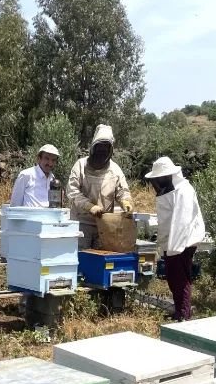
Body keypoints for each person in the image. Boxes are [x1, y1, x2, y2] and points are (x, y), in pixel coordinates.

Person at [146, 156, 205, 321]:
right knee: (174, 277)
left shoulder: (183, 191)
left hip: (181, 242)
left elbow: (182, 222)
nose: (156, 182)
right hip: (174, 241)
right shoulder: (174, 190)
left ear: (167, 175)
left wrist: (174, 248)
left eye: (159, 178)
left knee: (180, 278)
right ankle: (179, 310)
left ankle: (183, 314)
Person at [67, 125, 132, 250]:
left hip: (104, 224)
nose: (102, 150)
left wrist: (126, 202)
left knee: (100, 259)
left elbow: (122, 191)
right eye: (99, 146)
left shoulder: (115, 170)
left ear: (110, 150)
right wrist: (89, 206)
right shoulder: (80, 165)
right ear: (93, 147)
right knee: (80, 258)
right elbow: (72, 191)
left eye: (105, 147)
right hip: (81, 223)